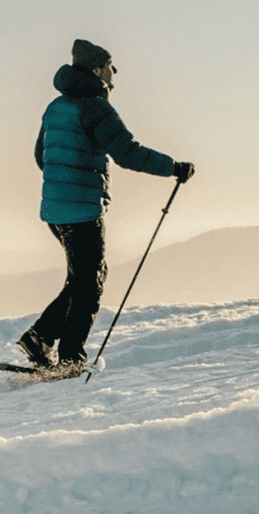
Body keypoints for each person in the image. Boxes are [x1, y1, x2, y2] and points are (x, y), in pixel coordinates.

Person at [19, 39, 195, 371]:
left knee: (82, 277)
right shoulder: (97, 108)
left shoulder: (55, 107)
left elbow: (41, 156)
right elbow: (128, 153)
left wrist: (64, 178)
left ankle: (39, 337)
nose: (115, 74)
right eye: (111, 66)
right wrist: (173, 167)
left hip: (54, 210)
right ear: (98, 69)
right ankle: (71, 358)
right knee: (90, 281)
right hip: (82, 209)